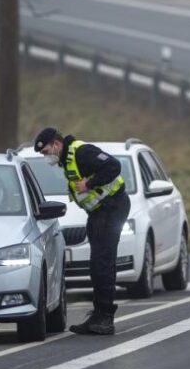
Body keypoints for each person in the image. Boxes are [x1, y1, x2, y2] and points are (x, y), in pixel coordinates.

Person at [34, 127, 129, 335]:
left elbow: (113, 166)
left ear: (57, 144)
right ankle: (99, 314)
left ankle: (105, 318)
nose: (46, 157)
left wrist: (89, 183)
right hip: (99, 211)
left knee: (103, 262)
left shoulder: (81, 152)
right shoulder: (67, 159)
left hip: (112, 207)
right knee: (97, 264)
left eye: (46, 152)